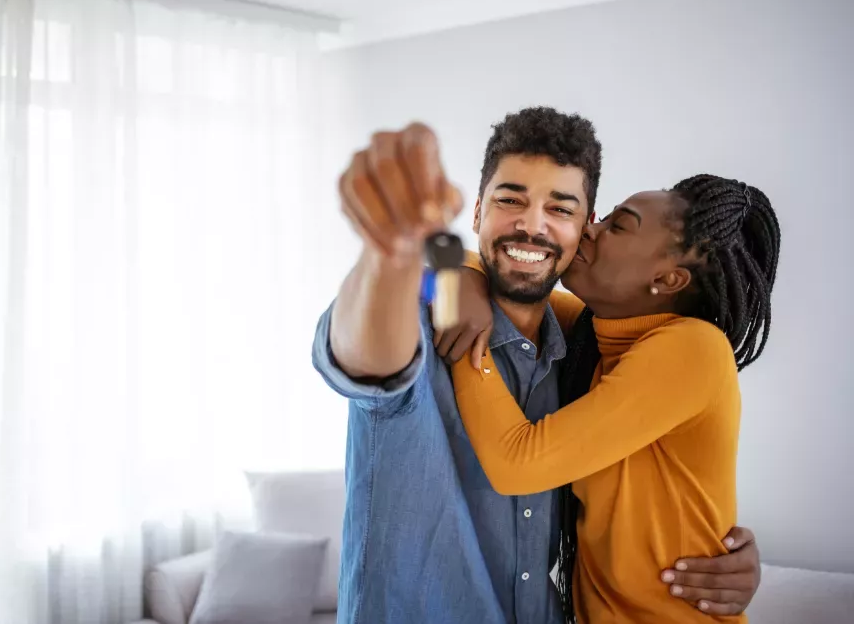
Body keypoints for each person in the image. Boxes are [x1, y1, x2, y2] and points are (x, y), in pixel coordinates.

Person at [312, 108, 762, 624]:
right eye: (511, 200)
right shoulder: (453, 311)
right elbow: (363, 345)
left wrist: (739, 557)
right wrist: (406, 256)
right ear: (478, 211)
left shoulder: (630, 347)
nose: (533, 223)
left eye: (564, 209)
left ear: (581, 229)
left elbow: (524, 464)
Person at [443, 175, 779, 622]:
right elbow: (471, 271)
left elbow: (516, 462)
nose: (586, 229)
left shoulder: (694, 348)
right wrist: (463, 277)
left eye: (618, 226)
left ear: (667, 278)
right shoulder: (593, 338)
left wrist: (467, 331)